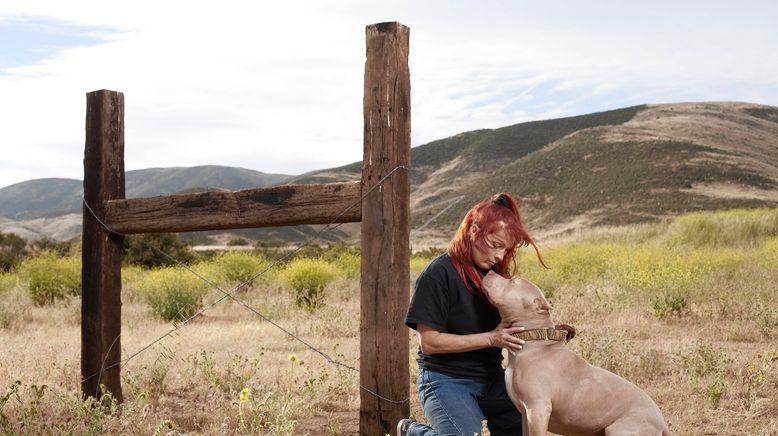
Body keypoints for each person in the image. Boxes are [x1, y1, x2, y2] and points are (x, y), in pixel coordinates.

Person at [398, 192, 545, 436]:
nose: (499, 255)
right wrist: (490, 338)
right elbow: (430, 343)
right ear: (474, 231)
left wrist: (547, 330)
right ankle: (413, 431)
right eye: (496, 245)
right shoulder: (438, 273)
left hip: (494, 378)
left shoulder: (496, 277)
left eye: (504, 249)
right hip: (445, 380)